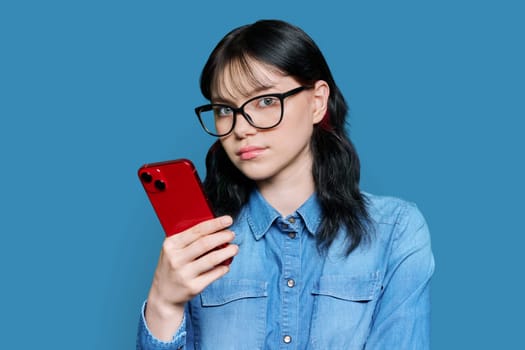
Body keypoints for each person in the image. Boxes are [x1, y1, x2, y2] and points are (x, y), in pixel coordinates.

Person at [137, 19, 434, 349]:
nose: (241, 128)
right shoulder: (203, 239)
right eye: (224, 109)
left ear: (318, 101)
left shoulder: (395, 231)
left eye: (265, 101)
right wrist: (164, 302)